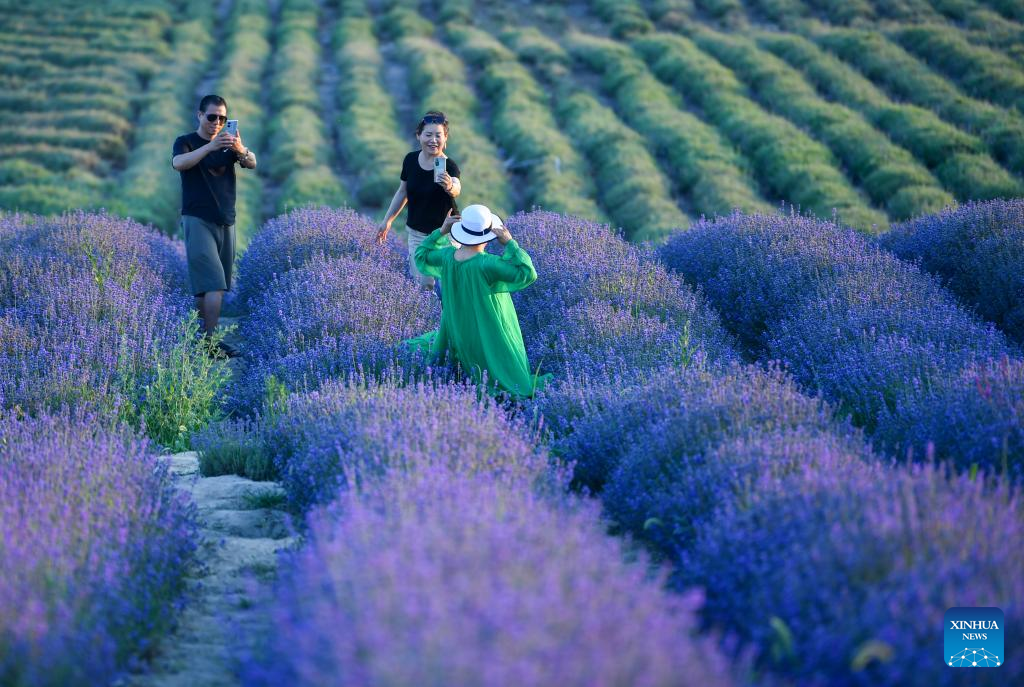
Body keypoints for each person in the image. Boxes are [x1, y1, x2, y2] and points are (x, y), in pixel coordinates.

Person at [407, 204, 549, 399]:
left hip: (457, 327)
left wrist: (441, 231)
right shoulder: (487, 263)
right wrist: (510, 243)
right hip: (487, 328)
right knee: (509, 373)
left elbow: (421, 254)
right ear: (489, 233)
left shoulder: (448, 256)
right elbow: (527, 273)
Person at [171, 94, 256, 358]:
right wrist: (210, 146)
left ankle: (196, 339)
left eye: (222, 118)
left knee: (205, 287)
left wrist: (239, 149)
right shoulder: (186, 142)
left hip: (226, 220)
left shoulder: (229, 145)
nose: (217, 122)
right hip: (197, 219)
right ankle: (209, 344)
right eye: (212, 117)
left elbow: (252, 163)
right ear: (199, 115)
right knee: (214, 284)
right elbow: (179, 163)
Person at [376, 111, 461, 293]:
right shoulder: (410, 161)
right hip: (418, 235)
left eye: (438, 135)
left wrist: (449, 186)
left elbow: (457, 188)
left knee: (451, 286)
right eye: (428, 135)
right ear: (418, 136)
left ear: (445, 138)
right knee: (423, 286)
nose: (433, 140)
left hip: (446, 235)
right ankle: (428, 320)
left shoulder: (449, 166)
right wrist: (387, 221)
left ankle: (451, 320)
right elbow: (402, 192)